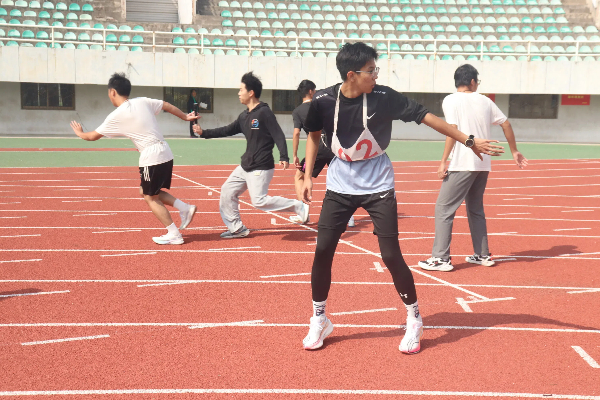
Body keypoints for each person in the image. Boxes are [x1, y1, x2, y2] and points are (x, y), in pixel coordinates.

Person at [300, 43, 504, 354]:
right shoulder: (323, 101)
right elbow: (314, 135)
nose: (376, 75)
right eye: (371, 71)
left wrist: (469, 140)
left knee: (391, 254)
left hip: (378, 183)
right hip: (340, 184)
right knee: (323, 250)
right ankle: (319, 319)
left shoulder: (384, 97)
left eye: (376, 70)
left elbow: (426, 116)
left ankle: (414, 319)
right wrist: (306, 176)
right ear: (352, 75)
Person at [418, 64, 528, 272]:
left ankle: (440, 258)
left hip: (462, 163)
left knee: (443, 208)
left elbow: (452, 131)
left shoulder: (450, 100)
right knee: (475, 209)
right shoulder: (486, 101)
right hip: (483, 164)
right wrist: (514, 151)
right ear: (472, 81)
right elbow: (506, 124)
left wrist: (443, 161)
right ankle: (482, 254)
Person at [70, 72, 198, 245]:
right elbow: (166, 105)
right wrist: (185, 117)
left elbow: (92, 136)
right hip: (165, 151)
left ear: (112, 92)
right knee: (145, 191)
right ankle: (184, 208)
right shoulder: (142, 101)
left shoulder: (117, 115)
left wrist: (79, 133)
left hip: (152, 156)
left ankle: (174, 233)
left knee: (150, 197)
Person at [193, 72, 309, 238]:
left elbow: (278, 134)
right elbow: (227, 130)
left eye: (241, 90)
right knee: (227, 191)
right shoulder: (244, 116)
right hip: (246, 165)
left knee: (259, 201)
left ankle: (299, 206)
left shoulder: (264, 113)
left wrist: (284, 156)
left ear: (251, 92)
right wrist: (203, 132)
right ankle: (237, 228)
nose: (238, 93)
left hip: (261, 166)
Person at [289, 79, 354, 227]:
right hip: (333, 147)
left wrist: (295, 155)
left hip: (316, 150)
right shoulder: (322, 104)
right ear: (311, 91)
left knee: (300, 176)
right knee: (342, 179)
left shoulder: (298, 111)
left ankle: (303, 212)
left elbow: (296, 133)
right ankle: (349, 217)